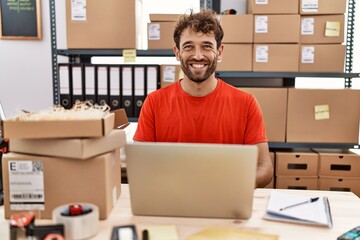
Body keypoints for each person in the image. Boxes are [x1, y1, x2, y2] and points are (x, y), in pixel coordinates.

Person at [133, 9, 273, 188]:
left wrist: (230, 184)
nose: (198, 56)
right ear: (177, 52)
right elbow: (140, 165)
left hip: (228, 199)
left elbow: (264, 167)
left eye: (206, 46)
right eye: (188, 47)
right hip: (171, 200)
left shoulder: (246, 103)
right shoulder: (154, 103)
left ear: (219, 51)